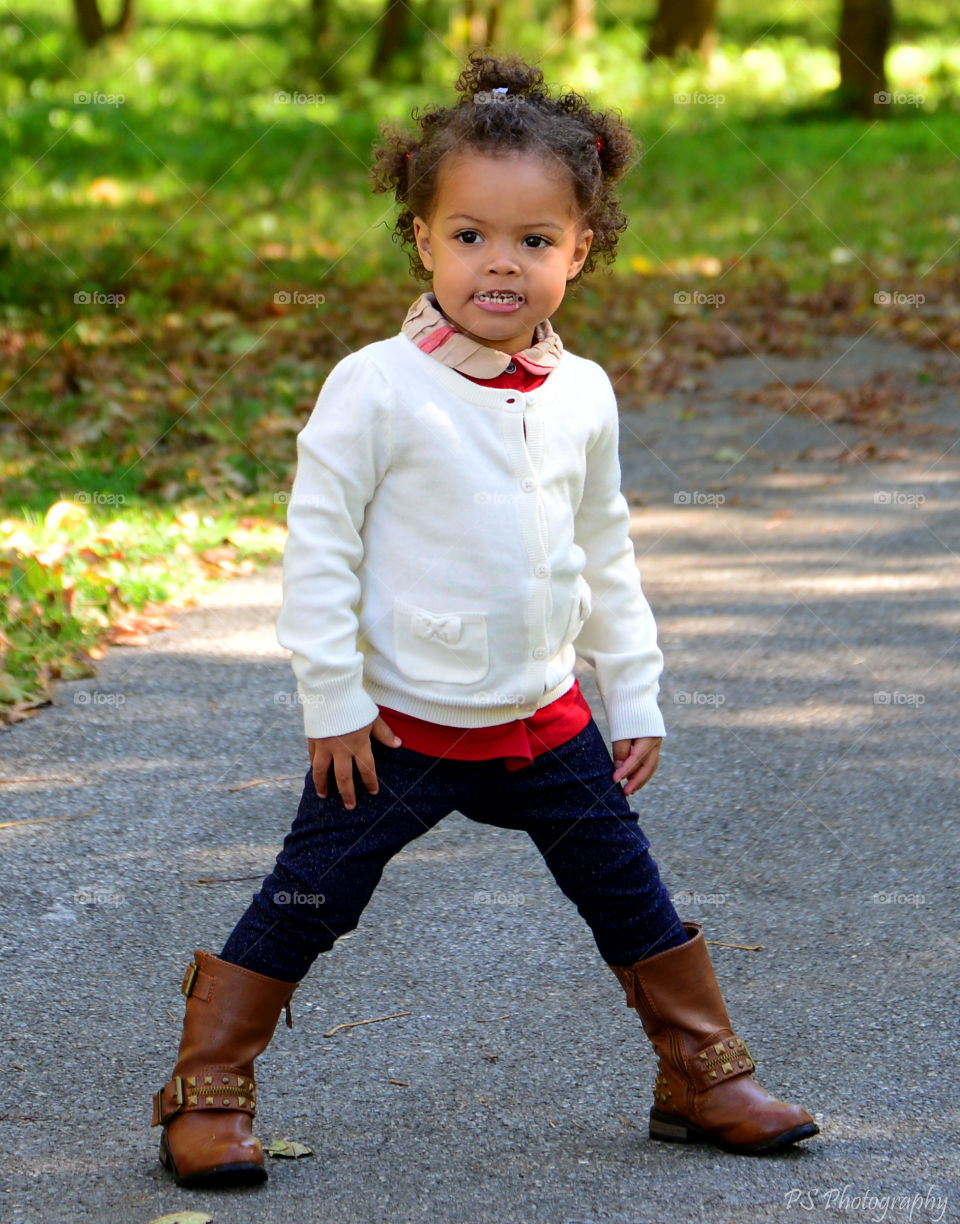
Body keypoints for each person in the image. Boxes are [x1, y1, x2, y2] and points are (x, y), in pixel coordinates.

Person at [150, 51, 818, 1188]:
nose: (500, 262)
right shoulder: (376, 385)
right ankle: (206, 1087)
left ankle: (702, 1076)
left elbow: (605, 549)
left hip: (546, 721)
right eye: (469, 235)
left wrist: (634, 692)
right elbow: (320, 552)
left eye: (534, 239)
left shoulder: (583, 392)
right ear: (422, 240)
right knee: (310, 897)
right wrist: (333, 701)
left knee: (629, 894)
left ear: (581, 249)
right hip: (397, 727)